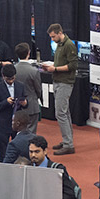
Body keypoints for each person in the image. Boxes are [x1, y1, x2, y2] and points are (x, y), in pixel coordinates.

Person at [41, 24, 77, 155]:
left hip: (65, 82)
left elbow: (73, 65)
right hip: (58, 81)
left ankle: (68, 144)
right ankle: (67, 140)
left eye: (53, 36)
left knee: (60, 113)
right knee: (64, 112)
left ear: (60, 33)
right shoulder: (61, 45)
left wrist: (55, 69)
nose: (52, 39)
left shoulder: (68, 45)